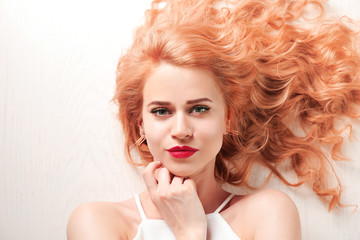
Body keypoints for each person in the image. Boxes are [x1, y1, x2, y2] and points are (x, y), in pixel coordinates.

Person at [67, 0, 360, 239]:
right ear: (140, 123)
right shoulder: (97, 222)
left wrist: (192, 231)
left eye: (199, 109)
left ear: (228, 119)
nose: (181, 130)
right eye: (161, 111)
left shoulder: (268, 213)